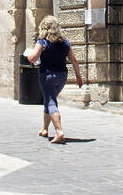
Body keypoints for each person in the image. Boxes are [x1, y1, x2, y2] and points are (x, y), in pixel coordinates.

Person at [26, 15, 83, 144]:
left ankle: (59, 131)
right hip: (62, 76)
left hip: (47, 75)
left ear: (44, 28)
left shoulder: (43, 42)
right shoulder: (65, 43)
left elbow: (33, 58)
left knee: (51, 102)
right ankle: (44, 129)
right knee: (49, 99)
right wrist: (78, 77)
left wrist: (29, 55)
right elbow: (74, 60)